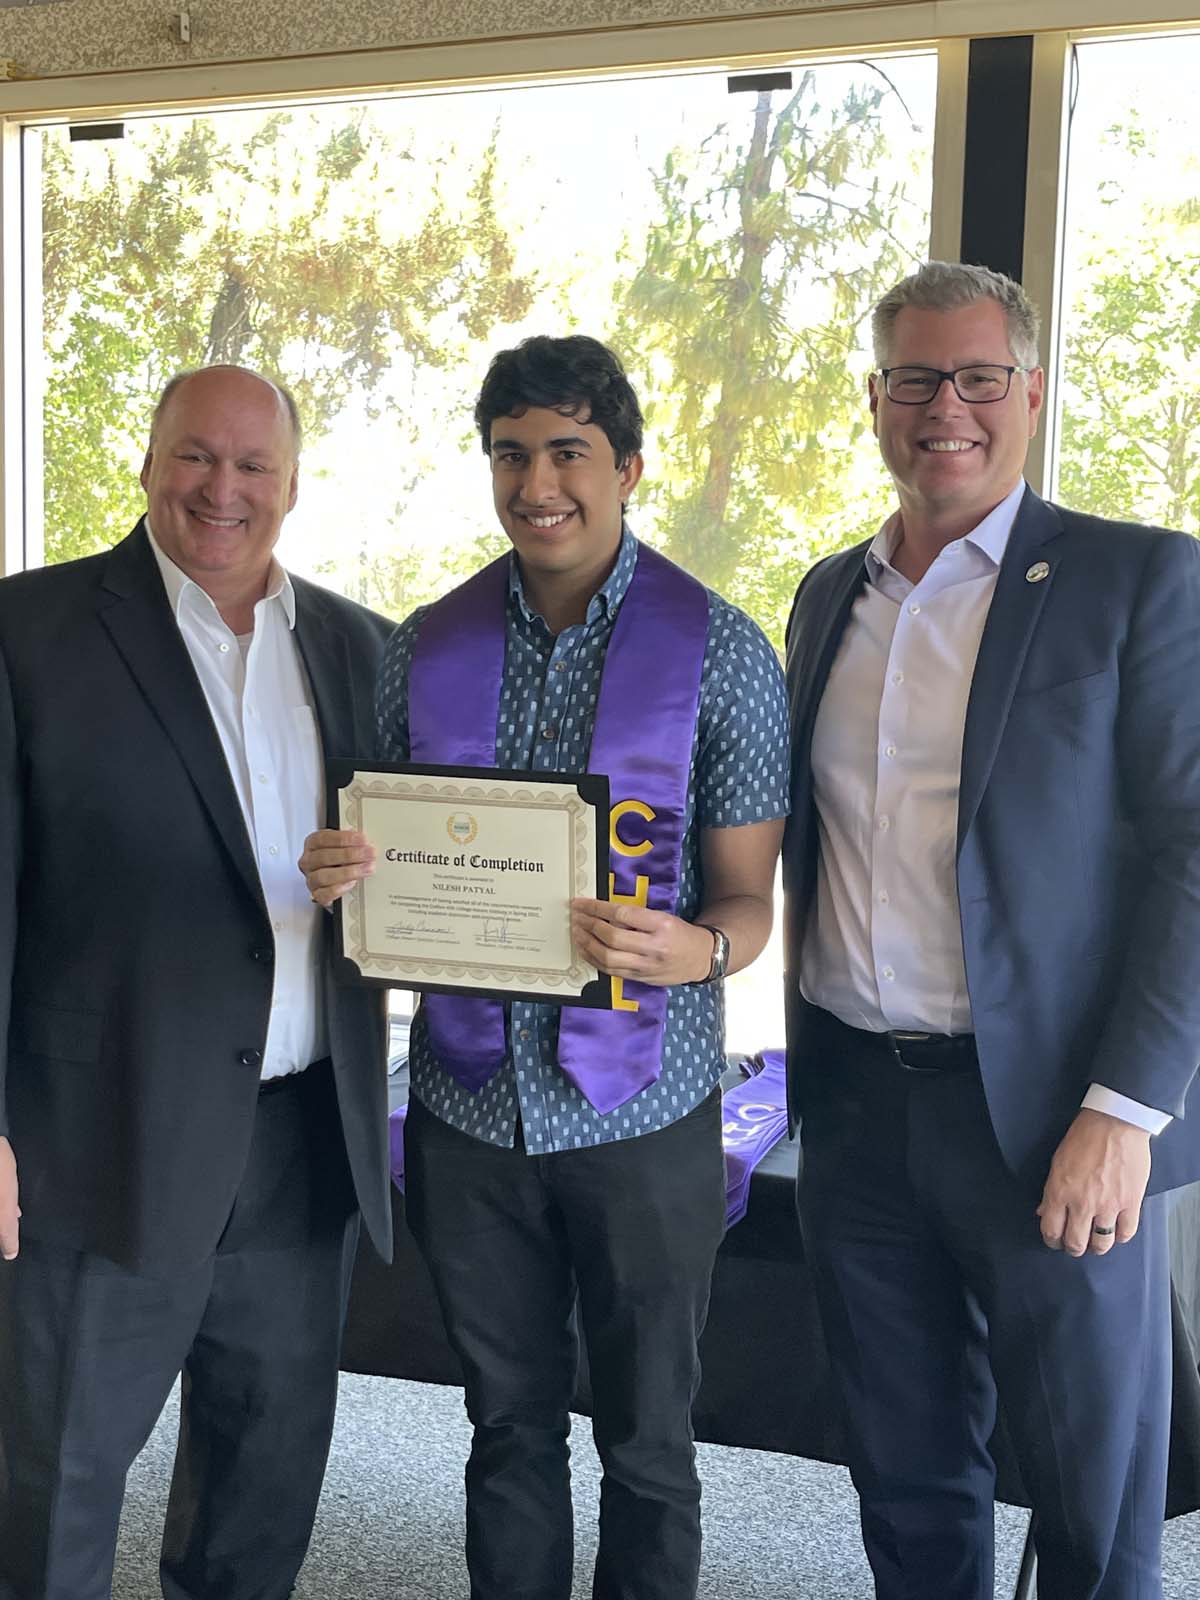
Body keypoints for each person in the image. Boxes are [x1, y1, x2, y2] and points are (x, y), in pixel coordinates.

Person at [301, 334, 789, 1600]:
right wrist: (352, 876)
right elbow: (390, 849)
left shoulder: (722, 653)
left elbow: (747, 900)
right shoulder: (427, 646)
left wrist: (701, 946)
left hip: (640, 1106)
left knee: (648, 1443)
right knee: (505, 1426)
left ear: (628, 465)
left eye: (569, 451)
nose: (538, 485)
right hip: (467, 1106)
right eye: (511, 454)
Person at [783, 259, 1200, 1600]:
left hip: (1047, 1120)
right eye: (915, 378)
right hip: (853, 1108)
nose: (943, 407)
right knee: (906, 1480)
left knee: (1092, 1498)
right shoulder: (823, 597)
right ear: (874, 398)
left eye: (976, 378)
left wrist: (1124, 1110)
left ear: (1027, 394)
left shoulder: (1135, 581)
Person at [0, 365, 394, 1600]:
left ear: (292, 483)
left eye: (253, 466)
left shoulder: (358, 647)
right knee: (53, 1485)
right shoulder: (29, 632)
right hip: (95, 1137)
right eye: (196, 457)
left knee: (260, 1495)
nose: (223, 489)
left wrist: (383, 882)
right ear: (148, 459)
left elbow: (416, 875)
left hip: (296, 1146)